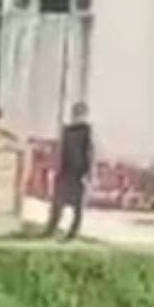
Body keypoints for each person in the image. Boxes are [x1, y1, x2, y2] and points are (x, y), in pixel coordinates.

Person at [44, 103, 93, 241]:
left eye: (80, 114)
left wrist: (88, 173)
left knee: (77, 206)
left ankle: (72, 233)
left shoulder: (86, 132)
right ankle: (51, 228)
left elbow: (89, 153)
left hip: (78, 172)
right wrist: (56, 168)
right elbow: (61, 151)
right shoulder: (67, 131)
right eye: (76, 113)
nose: (77, 116)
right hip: (65, 171)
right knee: (58, 202)